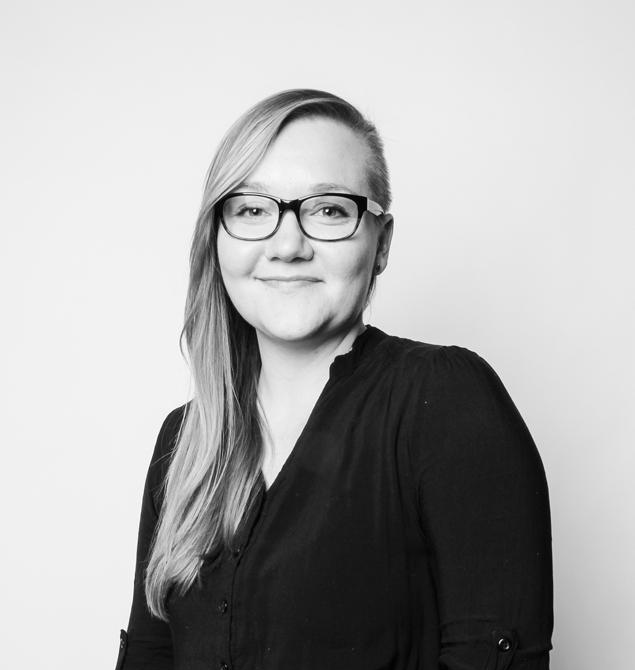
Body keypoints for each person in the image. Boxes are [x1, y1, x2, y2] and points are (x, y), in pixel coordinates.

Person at [114, 89, 553, 670]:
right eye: (251, 209)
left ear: (382, 242)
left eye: (328, 210)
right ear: (217, 237)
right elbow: (150, 655)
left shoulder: (445, 403)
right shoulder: (184, 443)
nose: (287, 245)